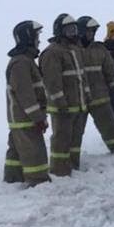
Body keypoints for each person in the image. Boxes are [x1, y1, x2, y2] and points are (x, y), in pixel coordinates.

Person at [39, 14, 90, 177]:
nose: (72, 33)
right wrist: (60, 102)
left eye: (74, 29)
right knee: (61, 140)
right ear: (59, 31)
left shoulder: (76, 50)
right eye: (68, 30)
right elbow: (52, 82)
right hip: (63, 108)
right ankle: (59, 170)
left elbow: (82, 77)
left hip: (78, 105)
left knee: (76, 139)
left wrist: (87, 96)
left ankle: (73, 165)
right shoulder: (52, 52)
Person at [75, 16, 114, 161]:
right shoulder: (72, 51)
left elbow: (111, 71)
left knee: (111, 128)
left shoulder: (100, 49)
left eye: (93, 31)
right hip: (78, 100)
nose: (91, 35)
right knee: (75, 132)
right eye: (88, 31)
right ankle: (69, 163)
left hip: (100, 98)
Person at [4, 20, 51, 186]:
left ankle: (13, 179)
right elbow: (25, 94)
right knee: (34, 152)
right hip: (25, 119)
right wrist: (38, 118)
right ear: (28, 37)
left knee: (16, 152)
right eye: (36, 36)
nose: (39, 40)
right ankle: (38, 182)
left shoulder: (25, 60)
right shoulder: (21, 63)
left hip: (21, 119)